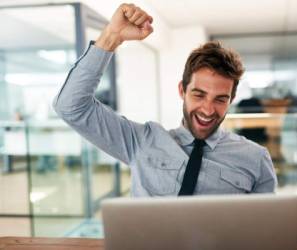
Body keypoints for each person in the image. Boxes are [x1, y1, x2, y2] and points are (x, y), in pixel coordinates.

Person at [53, 3, 277, 196]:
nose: (208, 110)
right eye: (199, 95)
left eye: (220, 99)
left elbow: (267, 232)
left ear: (232, 99)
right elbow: (71, 107)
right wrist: (112, 36)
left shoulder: (255, 158)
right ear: (182, 90)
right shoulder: (140, 142)